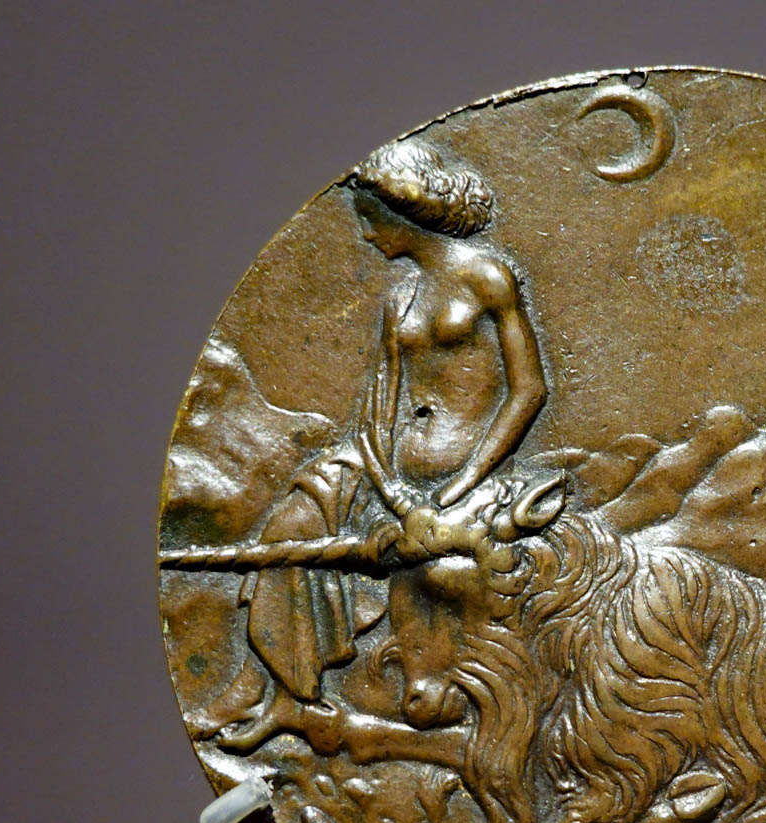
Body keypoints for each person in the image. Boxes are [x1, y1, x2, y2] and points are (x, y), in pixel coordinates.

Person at [194, 140, 547, 744]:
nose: (364, 234)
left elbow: (530, 391)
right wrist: (393, 492)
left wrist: (455, 491)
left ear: (401, 211)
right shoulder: (399, 298)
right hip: (388, 470)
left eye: (369, 219)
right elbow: (378, 407)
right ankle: (269, 692)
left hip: (468, 474)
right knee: (290, 527)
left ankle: (288, 699)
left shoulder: (488, 278)